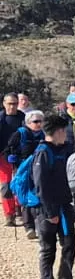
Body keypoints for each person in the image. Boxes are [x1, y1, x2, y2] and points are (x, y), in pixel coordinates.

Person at [33, 115, 75, 279]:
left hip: (65, 207)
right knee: (48, 249)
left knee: (70, 246)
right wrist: (49, 212)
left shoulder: (64, 149)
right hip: (48, 211)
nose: (66, 134)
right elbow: (40, 186)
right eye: (65, 131)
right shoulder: (43, 152)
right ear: (58, 131)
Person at [6, 110, 46, 237]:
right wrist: (10, 157)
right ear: (28, 122)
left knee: (40, 195)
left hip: (39, 169)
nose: (39, 124)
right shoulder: (20, 133)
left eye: (41, 121)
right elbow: (8, 149)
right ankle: (29, 227)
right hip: (23, 170)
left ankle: (41, 225)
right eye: (36, 121)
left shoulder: (43, 135)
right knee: (26, 196)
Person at [0, 94, 26, 227]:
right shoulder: (1, 118)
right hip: (3, 157)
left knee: (20, 183)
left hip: (20, 156)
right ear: (4, 103)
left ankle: (20, 211)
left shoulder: (23, 117)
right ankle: (9, 216)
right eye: (9, 103)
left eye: (15, 103)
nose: (12, 106)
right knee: (6, 186)